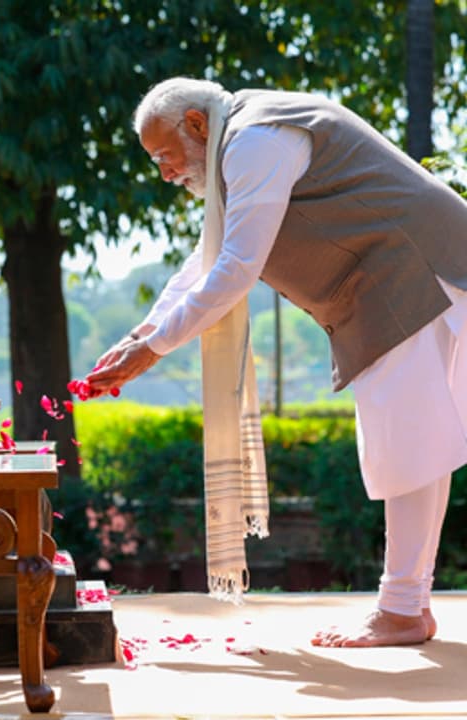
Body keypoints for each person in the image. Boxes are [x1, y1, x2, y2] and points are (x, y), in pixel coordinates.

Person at [86, 77, 467, 647]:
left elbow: (235, 267)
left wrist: (155, 349)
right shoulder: (245, 139)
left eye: (164, 155)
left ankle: (404, 609)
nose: (164, 173)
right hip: (418, 277)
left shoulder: (254, 139)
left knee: (409, 446)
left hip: (412, 276)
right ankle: (406, 604)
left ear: (196, 124)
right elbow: (207, 258)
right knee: (420, 445)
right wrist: (140, 335)